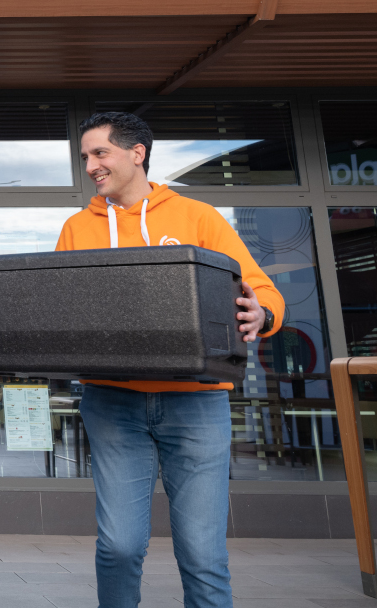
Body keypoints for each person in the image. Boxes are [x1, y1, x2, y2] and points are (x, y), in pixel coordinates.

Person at [57, 112, 285, 608]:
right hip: (112, 402)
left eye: (100, 153)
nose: (91, 165)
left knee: (202, 553)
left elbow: (259, 288)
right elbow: (66, 305)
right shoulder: (77, 228)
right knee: (119, 546)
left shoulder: (197, 217)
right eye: (86, 157)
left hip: (197, 403)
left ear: (136, 153)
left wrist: (262, 313)